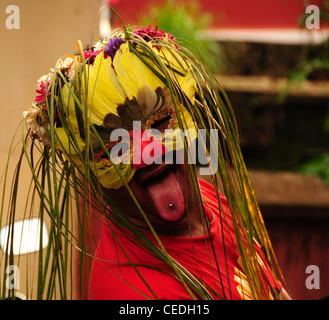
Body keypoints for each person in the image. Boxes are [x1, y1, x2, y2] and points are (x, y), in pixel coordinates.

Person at [18, 23, 288, 300]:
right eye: (113, 149)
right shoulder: (132, 290)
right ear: (88, 173)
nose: (147, 154)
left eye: (159, 123)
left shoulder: (208, 200)